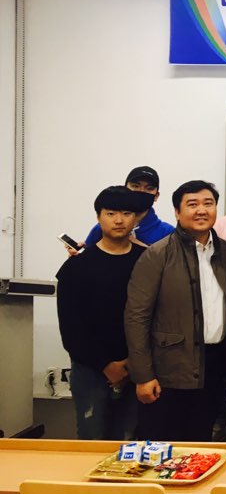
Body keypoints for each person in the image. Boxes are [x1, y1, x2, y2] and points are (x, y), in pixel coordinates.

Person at [125, 180, 226, 441]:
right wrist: (143, 375)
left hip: (213, 365)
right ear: (177, 212)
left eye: (208, 203)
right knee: (161, 445)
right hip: (169, 367)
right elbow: (136, 317)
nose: (201, 210)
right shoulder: (158, 254)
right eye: (192, 204)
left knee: (200, 442)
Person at [56, 185, 154, 439]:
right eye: (111, 213)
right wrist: (106, 365)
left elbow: (158, 316)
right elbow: (71, 327)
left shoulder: (148, 261)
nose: (119, 220)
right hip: (90, 369)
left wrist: (132, 363)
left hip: (139, 368)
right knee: (93, 442)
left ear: (136, 218)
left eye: (126, 213)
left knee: (133, 444)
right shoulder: (76, 267)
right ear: (98, 217)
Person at [81, 166, 175, 249]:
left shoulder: (168, 233)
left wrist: (143, 249)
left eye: (149, 188)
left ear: (156, 196)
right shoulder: (104, 227)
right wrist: (78, 254)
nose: (141, 191)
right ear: (125, 189)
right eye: (135, 186)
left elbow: (175, 262)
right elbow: (88, 257)